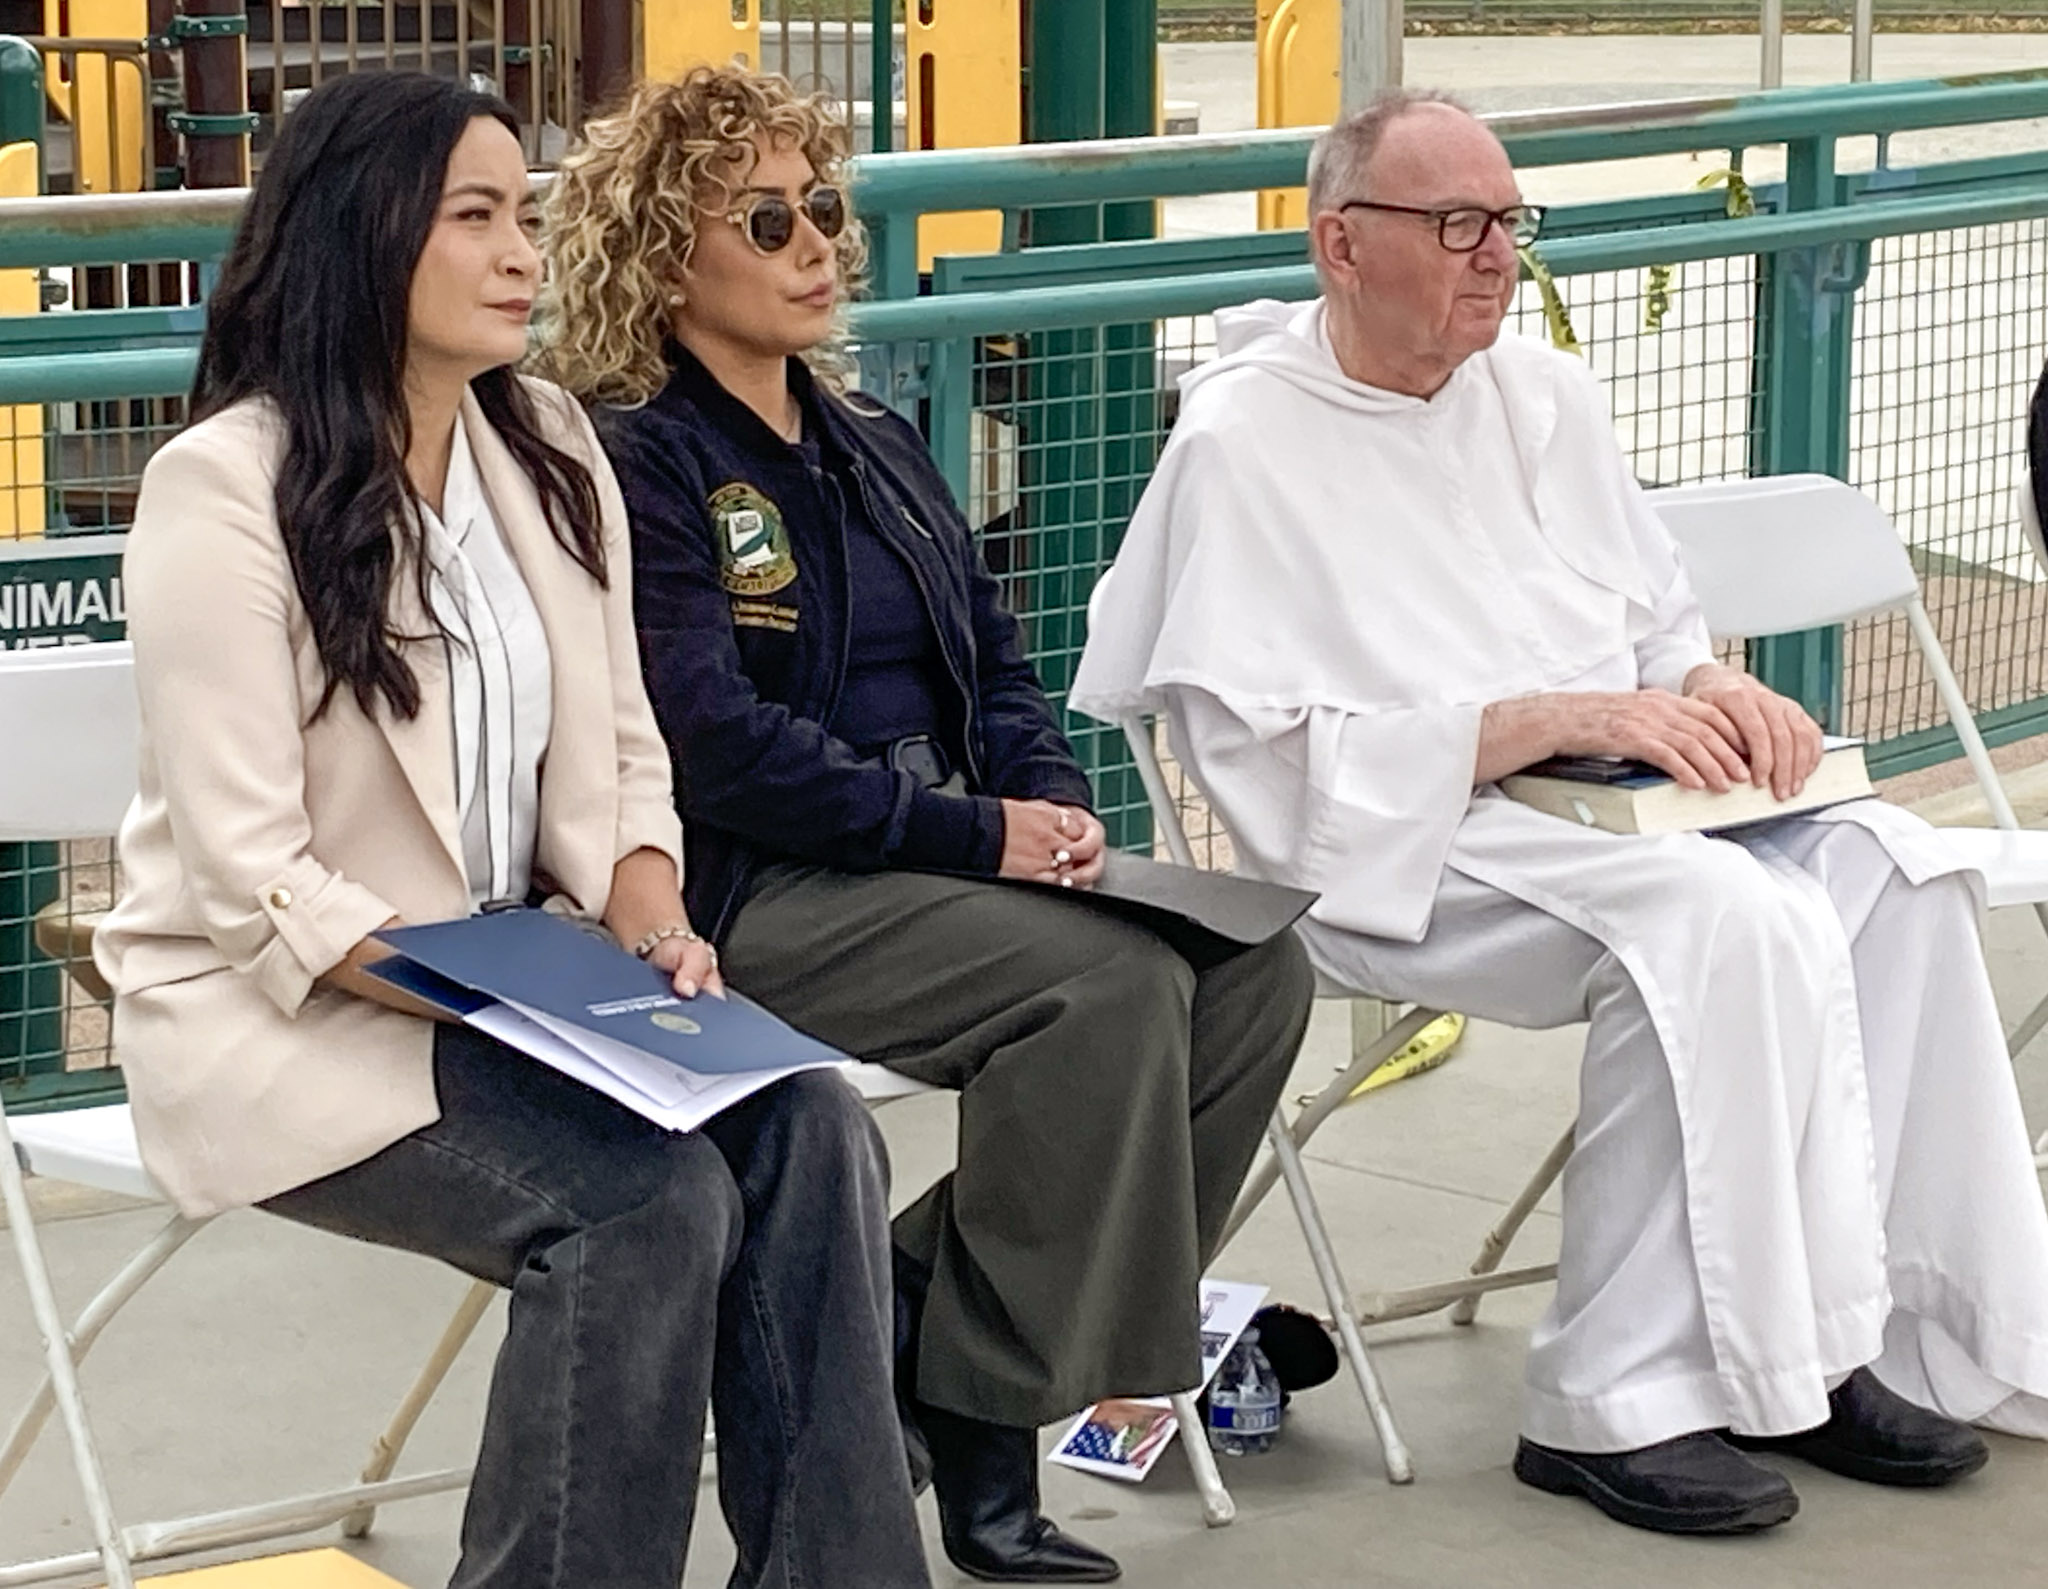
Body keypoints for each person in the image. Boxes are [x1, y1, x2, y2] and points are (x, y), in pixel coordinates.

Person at [1074, 88, 2048, 1538]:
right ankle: (1615, 1397)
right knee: (1720, 921)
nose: (1495, 256)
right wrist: (1536, 725)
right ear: (1341, 244)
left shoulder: (1545, 394)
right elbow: (1263, 772)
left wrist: (1714, 687)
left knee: (1886, 872)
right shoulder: (1245, 439)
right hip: (1406, 851)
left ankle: (1855, 1337)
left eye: (1509, 222)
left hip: (1608, 810)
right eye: (1456, 223)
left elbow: (1653, 618)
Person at [92, 71, 929, 1589]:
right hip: (296, 1012)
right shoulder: (220, 489)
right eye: (474, 218)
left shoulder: (541, 436)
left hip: (527, 983)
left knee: (814, 1128)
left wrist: (652, 925)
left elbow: (622, 750)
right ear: (365, 234)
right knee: (646, 1204)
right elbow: (252, 880)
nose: (520, 254)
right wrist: (512, 1000)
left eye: (522, 216)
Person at [539, 66, 1315, 1585]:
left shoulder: (873, 439)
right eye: (767, 220)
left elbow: (999, 663)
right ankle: (986, 1416)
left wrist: (1055, 805)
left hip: (943, 854)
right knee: (1110, 990)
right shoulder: (640, 456)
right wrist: (975, 839)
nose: (818, 243)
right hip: (759, 887)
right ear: (665, 256)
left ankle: (913, 1321)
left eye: (823, 207)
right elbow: (711, 744)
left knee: (1253, 975)